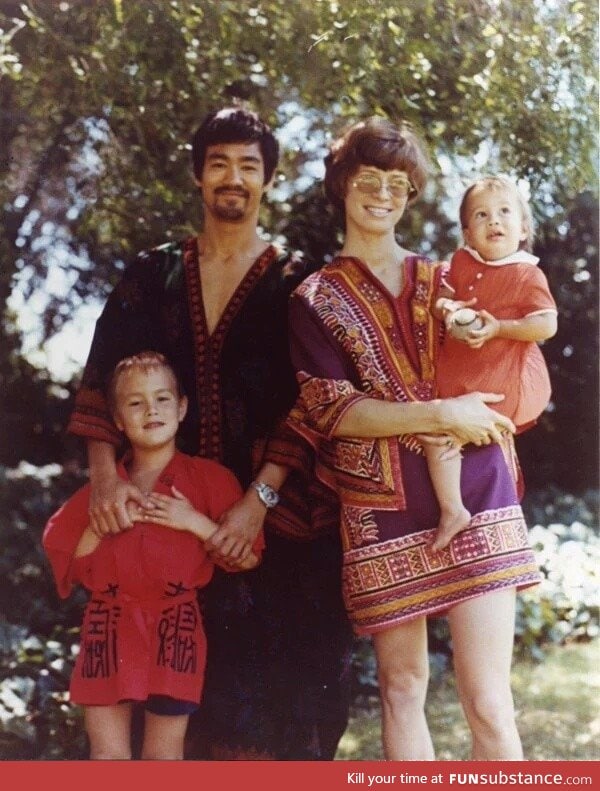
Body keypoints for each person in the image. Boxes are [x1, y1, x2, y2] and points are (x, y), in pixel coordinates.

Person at [66, 107, 353, 760]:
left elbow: (313, 404)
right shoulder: (152, 274)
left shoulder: (297, 281)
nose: (233, 177)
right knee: (177, 711)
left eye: (249, 166)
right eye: (219, 163)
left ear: (268, 181)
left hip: (275, 528)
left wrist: (258, 502)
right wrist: (106, 478)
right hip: (167, 519)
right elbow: (100, 376)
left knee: (291, 699)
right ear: (198, 177)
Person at [287, 116, 542, 760]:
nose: (383, 194)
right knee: (404, 687)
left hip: (478, 486)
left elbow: (518, 346)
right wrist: (442, 415)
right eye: (369, 178)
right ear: (341, 186)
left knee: (488, 700)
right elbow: (333, 411)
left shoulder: (446, 280)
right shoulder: (313, 298)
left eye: (399, 184)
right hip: (381, 508)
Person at [43, 352, 263, 759]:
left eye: (162, 399)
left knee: (164, 755)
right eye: (135, 402)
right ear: (118, 420)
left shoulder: (211, 480)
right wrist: (102, 515)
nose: (151, 410)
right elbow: (70, 561)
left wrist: (192, 521)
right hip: (107, 625)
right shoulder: (105, 489)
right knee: (108, 756)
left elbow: (246, 557)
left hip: (174, 627)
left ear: (181, 409)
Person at [425, 175, 558, 551]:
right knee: (438, 433)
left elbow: (546, 323)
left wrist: (500, 326)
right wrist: (448, 310)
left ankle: (474, 514)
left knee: (461, 438)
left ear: (523, 228)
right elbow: (441, 298)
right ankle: (453, 509)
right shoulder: (462, 262)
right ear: (467, 233)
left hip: (500, 379)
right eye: (481, 215)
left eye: (504, 212)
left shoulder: (526, 272)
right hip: (460, 377)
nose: (494, 221)